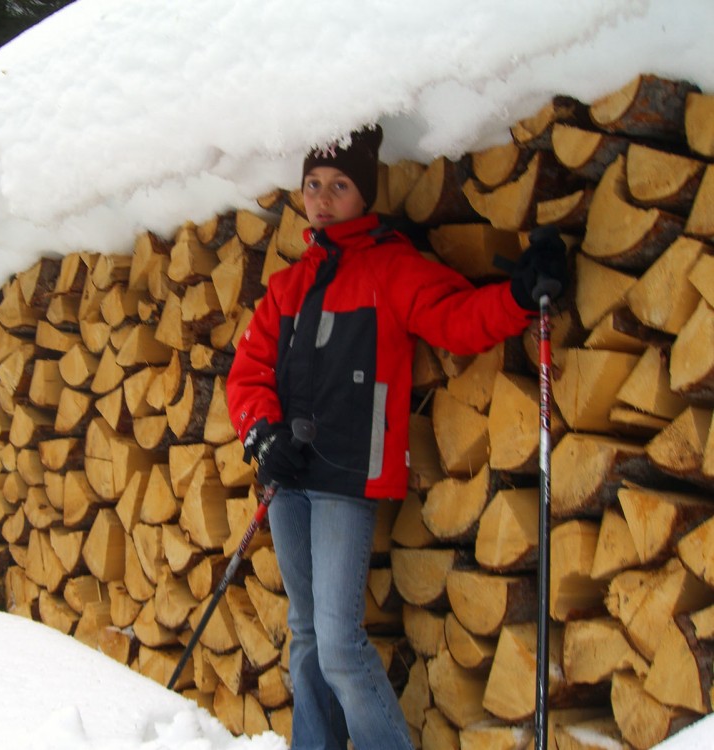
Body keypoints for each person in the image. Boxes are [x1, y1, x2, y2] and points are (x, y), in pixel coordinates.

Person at [225, 127, 566, 750]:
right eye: (313, 186)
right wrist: (262, 435)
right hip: (289, 476)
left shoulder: (390, 268)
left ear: (364, 195)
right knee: (304, 635)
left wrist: (520, 296)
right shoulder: (288, 286)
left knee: (338, 645)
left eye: (339, 186)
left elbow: (458, 321)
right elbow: (246, 373)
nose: (323, 199)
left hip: (346, 481)